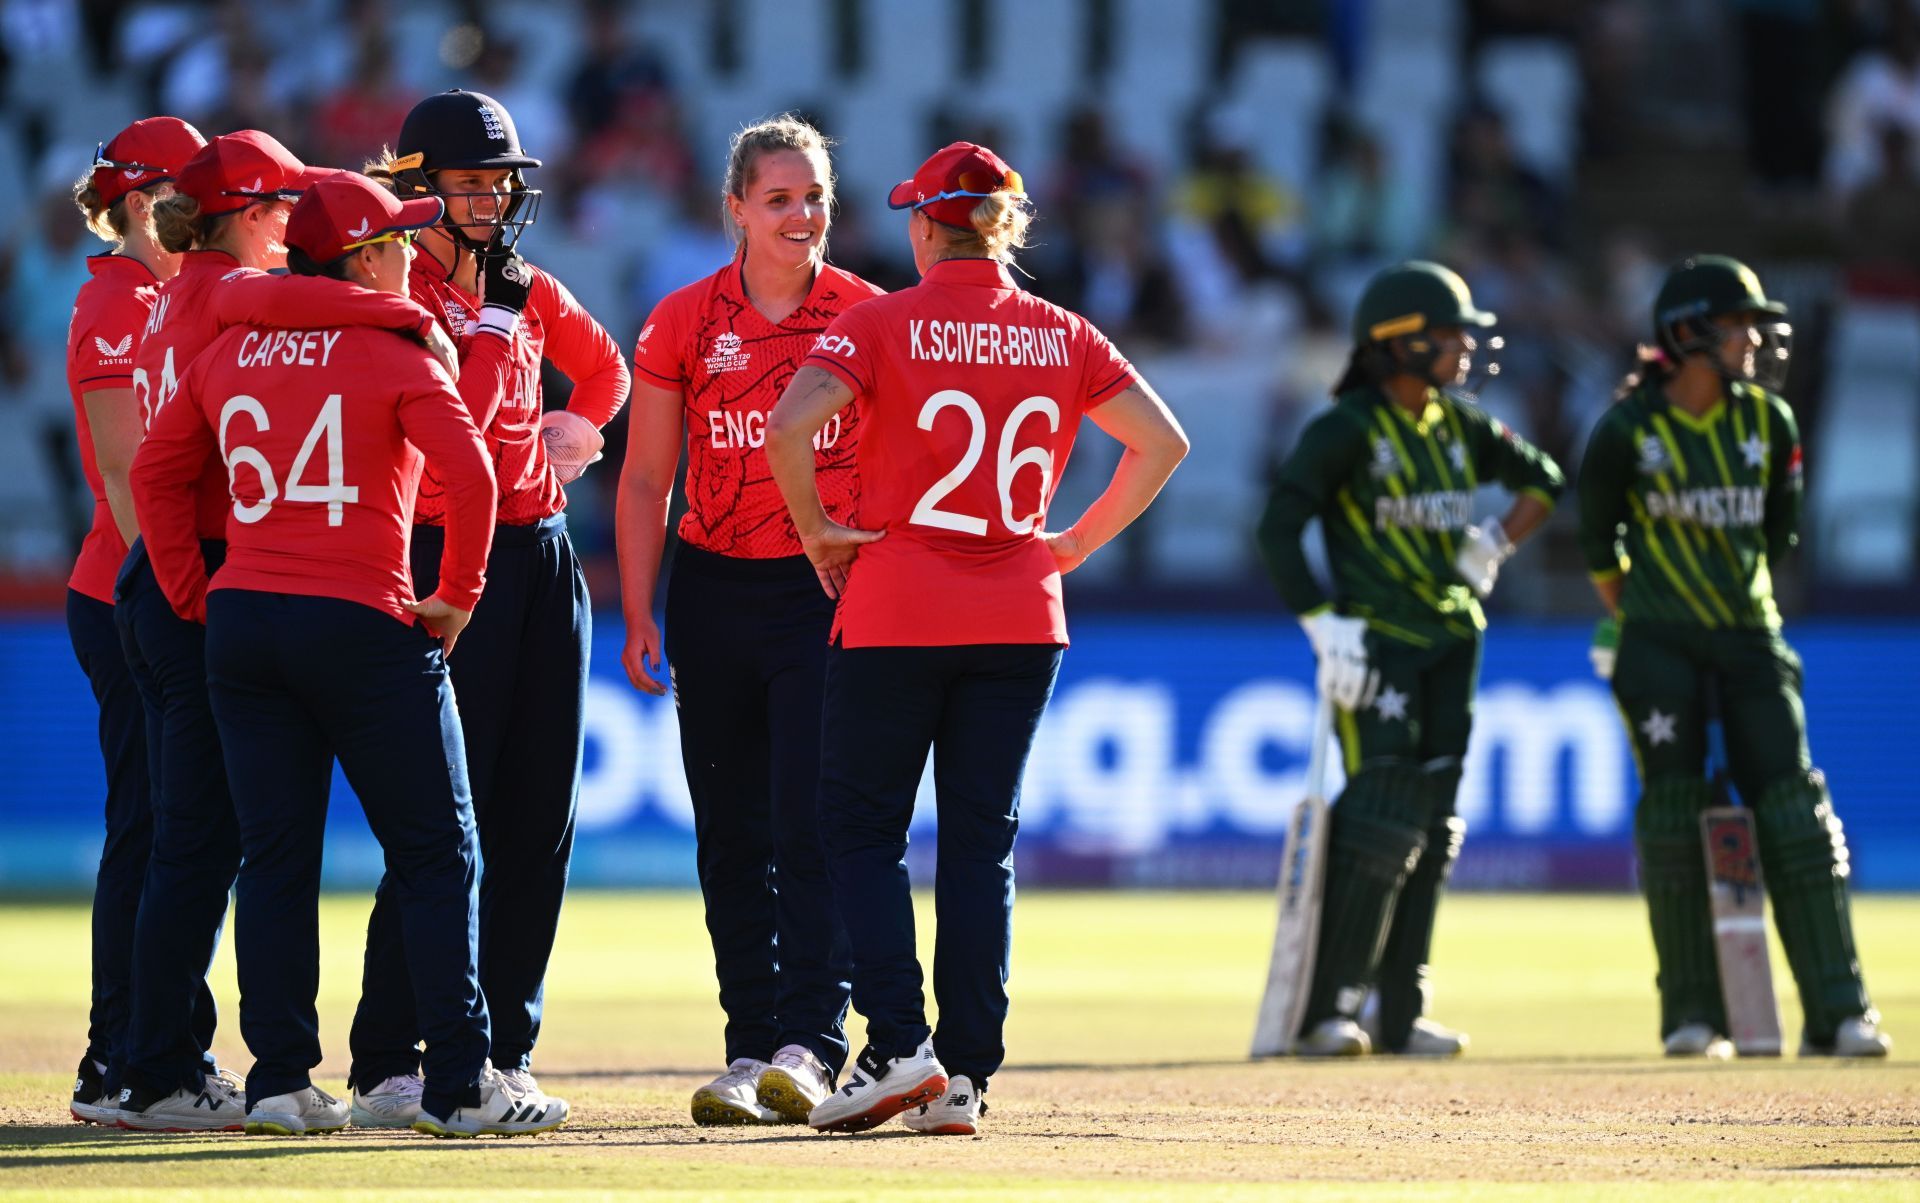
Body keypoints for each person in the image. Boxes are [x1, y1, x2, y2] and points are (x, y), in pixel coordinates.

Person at [130, 170, 569, 1137]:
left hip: (247, 625)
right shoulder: (398, 346)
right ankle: (460, 1083)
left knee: (275, 858)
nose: (413, 254)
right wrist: (456, 597)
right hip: (366, 623)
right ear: (366, 256)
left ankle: (282, 1079)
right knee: (437, 851)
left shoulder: (232, 345)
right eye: (399, 242)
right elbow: (474, 476)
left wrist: (195, 593)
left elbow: (156, 473)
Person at [766, 142, 1189, 1135]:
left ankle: (899, 1045)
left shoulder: (879, 322)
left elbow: (789, 428)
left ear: (924, 225)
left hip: (896, 610)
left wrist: (816, 530)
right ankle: (962, 1076)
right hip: (1020, 617)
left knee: (862, 833)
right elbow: (1163, 441)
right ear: (1009, 227)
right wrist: (1074, 542)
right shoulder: (1062, 333)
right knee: (978, 846)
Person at [112, 129, 442, 1133]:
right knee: (206, 844)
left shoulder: (171, 288)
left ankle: (151, 1061)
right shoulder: (225, 291)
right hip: (211, 572)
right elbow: (309, 299)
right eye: (288, 209)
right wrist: (401, 314)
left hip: (193, 576)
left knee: (194, 843)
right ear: (252, 214)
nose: (301, 232)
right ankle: (158, 1070)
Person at [348, 89, 630, 1128]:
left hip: (540, 555)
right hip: (431, 552)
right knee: (436, 821)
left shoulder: (520, 284)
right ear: (417, 187)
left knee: (532, 821)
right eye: (469, 182)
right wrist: (497, 319)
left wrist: (577, 431)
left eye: (500, 182)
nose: (490, 200)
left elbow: (607, 371)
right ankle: (388, 1059)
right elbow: (448, 415)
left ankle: (503, 1050)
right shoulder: (389, 283)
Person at [615, 114, 883, 1127]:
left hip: (823, 592)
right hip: (713, 591)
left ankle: (812, 1044)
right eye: (779, 198)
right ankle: (747, 1047)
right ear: (734, 208)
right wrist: (639, 608)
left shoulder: (865, 315)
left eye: (814, 195)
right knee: (730, 837)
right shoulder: (683, 320)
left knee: (812, 826)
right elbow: (645, 479)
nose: (802, 215)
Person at [1578, 255, 1891, 1059]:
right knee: (1676, 814)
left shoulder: (1769, 424)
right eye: (1738, 325)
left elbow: (1779, 533)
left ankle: (1840, 1011)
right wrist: (1638, 625)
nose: (1754, 339)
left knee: (1792, 808)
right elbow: (1598, 546)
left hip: (1750, 634)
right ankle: (1692, 1013)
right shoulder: (1627, 432)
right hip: (1659, 642)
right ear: (1687, 334)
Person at [1255, 261, 1564, 1058]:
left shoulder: (1460, 425)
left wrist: (1496, 541)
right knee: (1380, 817)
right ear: (1399, 343)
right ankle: (1330, 1006)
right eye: (1449, 334)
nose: (1465, 348)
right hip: (1378, 644)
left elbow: (1544, 480)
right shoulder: (1347, 427)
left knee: (1432, 823)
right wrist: (1324, 622)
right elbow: (1279, 527)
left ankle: (1400, 1012)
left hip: (1455, 640)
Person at [62, 115, 206, 1125]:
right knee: (155, 830)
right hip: (134, 587)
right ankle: (120, 1061)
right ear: (144, 203)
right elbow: (123, 479)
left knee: (168, 829)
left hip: (152, 582)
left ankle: (141, 1054)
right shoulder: (116, 307)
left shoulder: (157, 296)